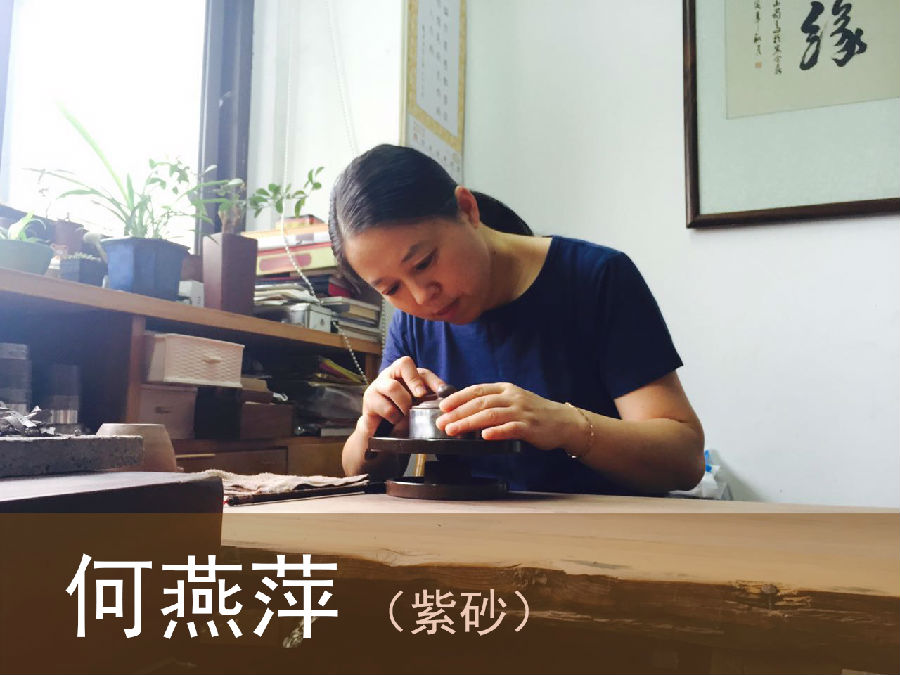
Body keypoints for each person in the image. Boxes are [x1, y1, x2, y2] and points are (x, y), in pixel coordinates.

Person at [328, 144, 704, 495]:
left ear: (467, 209)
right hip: (472, 535)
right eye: (391, 288)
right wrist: (372, 425)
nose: (422, 297)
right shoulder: (412, 321)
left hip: (604, 531)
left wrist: (567, 425)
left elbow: (684, 459)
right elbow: (356, 470)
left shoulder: (597, 278)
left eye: (424, 263)